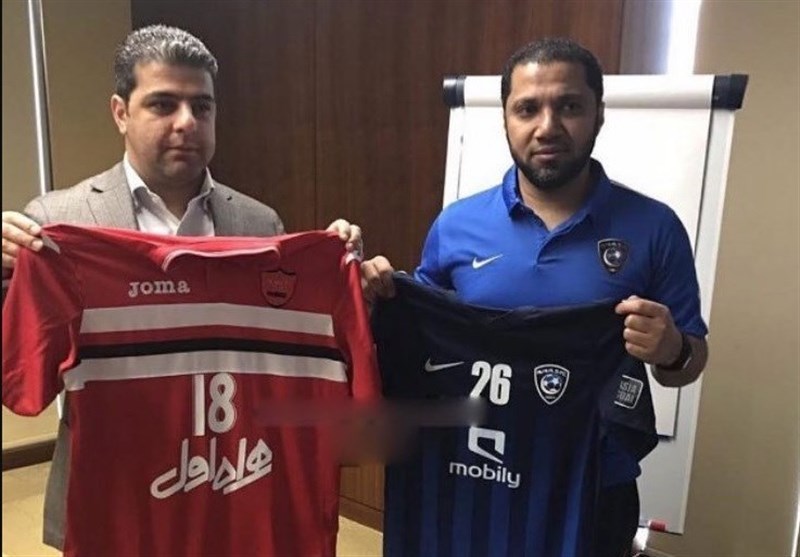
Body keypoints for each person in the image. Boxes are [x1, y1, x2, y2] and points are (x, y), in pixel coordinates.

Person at [1, 24, 363, 550]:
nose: (187, 122)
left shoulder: (260, 224)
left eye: (202, 106)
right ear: (120, 112)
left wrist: (346, 267)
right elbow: (21, 373)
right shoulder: (59, 224)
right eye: (163, 104)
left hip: (232, 491)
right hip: (117, 503)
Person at [362, 37, 709, 557]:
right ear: (505, 120)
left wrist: (672, 349)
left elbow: (689, 363)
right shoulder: (456, 226)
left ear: (598, 114)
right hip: (474, 473)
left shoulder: (655, 228)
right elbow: (426, 346)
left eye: (569, 106)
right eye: (528, 109)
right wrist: (378, 298)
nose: (548, 127)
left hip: (592, 486)